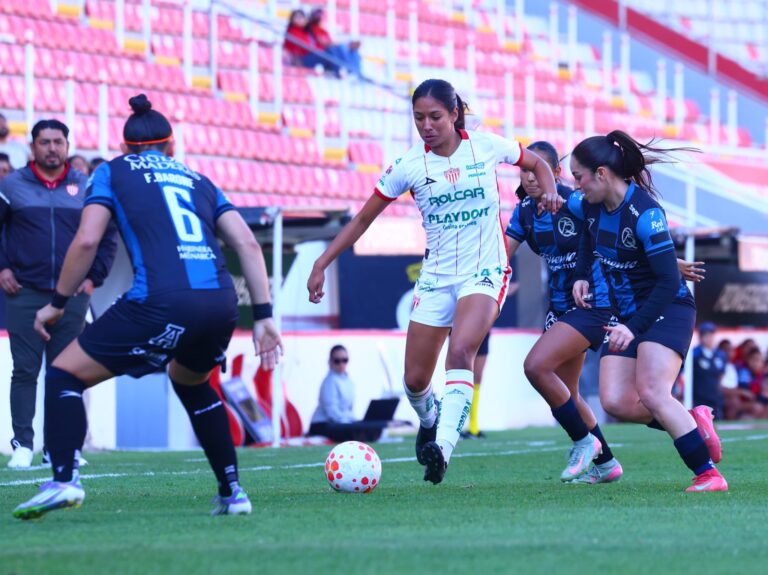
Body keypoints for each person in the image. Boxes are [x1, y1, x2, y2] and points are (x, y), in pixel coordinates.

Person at [12, 94, 282, 520]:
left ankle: (64, 480)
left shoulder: (111, 171)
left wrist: (58, 302)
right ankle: (233, 492)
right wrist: (264, 316)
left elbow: (87, 239)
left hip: (159, 300)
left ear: (124, 147)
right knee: (192, 382)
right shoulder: (199, 179)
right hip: (219, 302)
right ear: (171, 146)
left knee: (64, 374)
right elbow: (247, 243)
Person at [307, 78, 560, 485]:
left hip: (485, 270)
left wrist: (548, 193)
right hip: (436, 277)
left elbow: (538, 164)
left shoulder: (487, 145)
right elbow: (363, 219)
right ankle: (430, 419)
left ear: (455, 113)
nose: (426, 125)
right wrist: (322, 262)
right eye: (419, 118)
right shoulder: (409, 165)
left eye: (435, 117)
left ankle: (442, 448)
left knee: (461, 351)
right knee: (414, 382)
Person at [570, 130, 727, 492]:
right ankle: (692, 422)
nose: (576, 186)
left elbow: (668, 280)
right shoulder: (589, 203)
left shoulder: (645, 214)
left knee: (654, 392)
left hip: (666, 307)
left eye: (579, 177)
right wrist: (580, 274)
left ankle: (708, 474)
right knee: (617, 402)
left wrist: (633, 327)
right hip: (627, 313)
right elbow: (585, 234)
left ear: (601, 174)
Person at [1, 119, 117, 469]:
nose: (52, 148)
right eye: (44, 142)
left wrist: (94, 277)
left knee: (65, 372)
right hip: (25, 293)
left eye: (58, 142)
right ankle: (23, 445)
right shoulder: (11, 185)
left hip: (72, 297)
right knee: (25, 370)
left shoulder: (88, 185)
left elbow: (108, 234)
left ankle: (59, 448)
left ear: (67, 146)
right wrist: (3, 268)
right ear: (32, 147)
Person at [506, 140, 623, 484]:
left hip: (592, 304)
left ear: (556, 172)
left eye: (537, 169)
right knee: (567, 396)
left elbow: (615, 231)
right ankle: (606, 463)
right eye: (525, 170)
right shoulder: (525, 211)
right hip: (559, 308)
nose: (530, 177)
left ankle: (583, 442)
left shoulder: (576, 201)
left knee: (535, 366)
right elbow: (501, 255)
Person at [308, 345, 387, 442]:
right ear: (330, 362)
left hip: (340, 423)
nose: (341, 364)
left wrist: (355, 421)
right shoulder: (329, 381)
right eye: (337, 361)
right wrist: (353, 421)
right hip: (322, 425)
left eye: (345, 360)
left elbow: (349, 410)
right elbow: (332, 413)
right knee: (355, 430)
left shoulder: (349, 382)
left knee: (369, 427)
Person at [305, 8, 362, 78]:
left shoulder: (323, 30)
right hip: (317, 55)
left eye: (321, 15)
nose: (319, 17)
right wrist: (343, 43)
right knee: (339, 47)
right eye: (317, 15)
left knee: (353, 51)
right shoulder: (311, 28)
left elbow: (329, 41)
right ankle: (346, 71)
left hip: (326, 53)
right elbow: (323, 42)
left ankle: (356, 74)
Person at [692, 322, 728, 420]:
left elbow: (721, 374)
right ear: (700, 337)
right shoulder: (694, 354)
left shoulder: (720, 355)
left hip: (715, 397)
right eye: (706, 335)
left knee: (717, 422)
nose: (709, 338)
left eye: (711, 335)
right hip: (699, 397)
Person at [461, 331, 489, 439]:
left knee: (477, 379)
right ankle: (454, 427)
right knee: (461, 376)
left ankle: (474, 428)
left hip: (483, 331)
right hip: (461, 332)